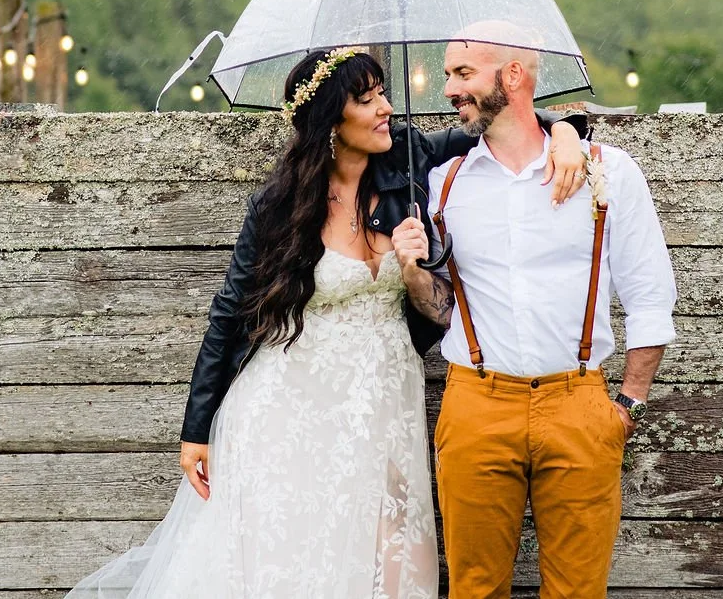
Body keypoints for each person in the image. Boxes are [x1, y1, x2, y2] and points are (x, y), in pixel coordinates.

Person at [67, 46, 587, 599]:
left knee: (395, 554)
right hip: (290, 405)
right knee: (297, 559)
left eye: (383, 93)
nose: (386, 107)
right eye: (368, 100)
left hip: (383, 399)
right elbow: (229, 310)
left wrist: (565, 133)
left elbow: (505, 125)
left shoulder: (407, 159)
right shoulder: (281, 205)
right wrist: (197, 428)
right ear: (330, 123)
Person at [427, 29, 678, 599]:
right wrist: (414, 269)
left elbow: (650, 296)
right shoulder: (443, 182)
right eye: (448, 75)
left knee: (578, 591)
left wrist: (628, 405)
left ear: (513, 76)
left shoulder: (606, 171)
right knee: (474, 589)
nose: (449, 89)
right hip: (475, 404)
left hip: (579, 404)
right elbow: (436, 303)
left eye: (463, 73)